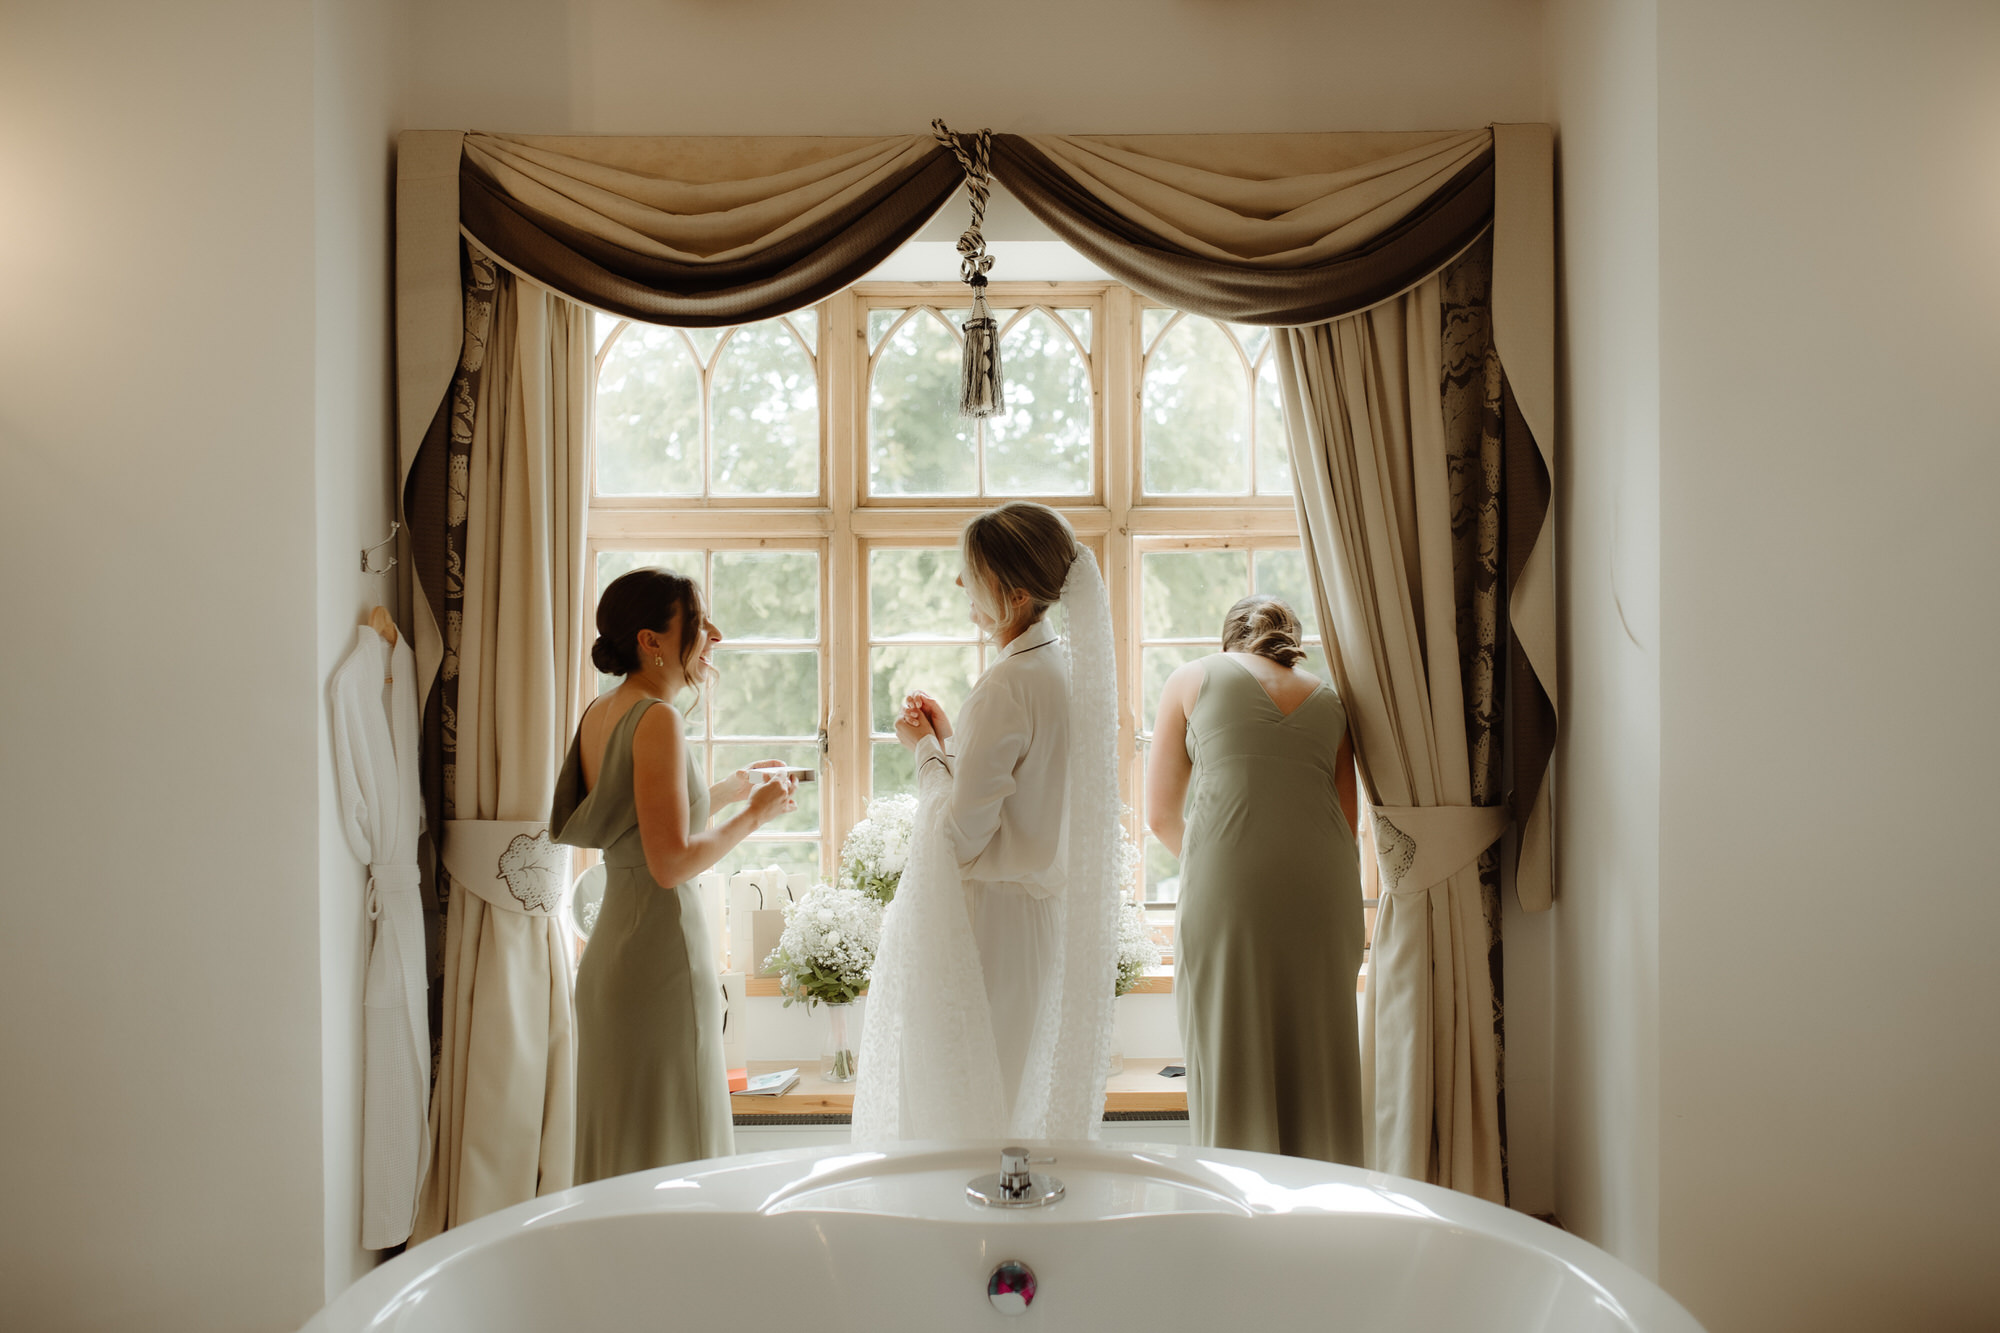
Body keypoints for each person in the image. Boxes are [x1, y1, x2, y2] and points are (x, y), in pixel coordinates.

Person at [852, 502, 1123, 1142]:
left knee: (970, 1117)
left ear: (1014, 594)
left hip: (991, 931)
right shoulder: (1067, 671)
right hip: (1037, 924)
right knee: (1016, 1114)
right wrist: (952, 745)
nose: (957, 586)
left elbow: (959, 837)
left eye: (969, 575)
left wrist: (923, 751)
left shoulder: (1009, 683)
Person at [550, 567, 796, 1182]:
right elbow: (672, 863)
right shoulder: (659, 718)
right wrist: (755, 814)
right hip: (660, 952)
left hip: (613, 956)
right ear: (650, 640)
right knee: (677, 1139)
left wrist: (730, 787)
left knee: (627, 1143)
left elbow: (636, 822)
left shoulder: (601, 711)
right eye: (697, 619)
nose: (713, 631)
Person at [1145, 594, 1363, 1164]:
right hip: (1325, 892)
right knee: (1320, 1053)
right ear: (1293, 640)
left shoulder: (1190, 678)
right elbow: (1346, 823)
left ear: (1228, 640)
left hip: (1229, 889)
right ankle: (1323, 1209)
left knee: (1228, 1050)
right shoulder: (1334, 701)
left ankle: (1238, 1203)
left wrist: (1225, 857)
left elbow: (1162, 816)